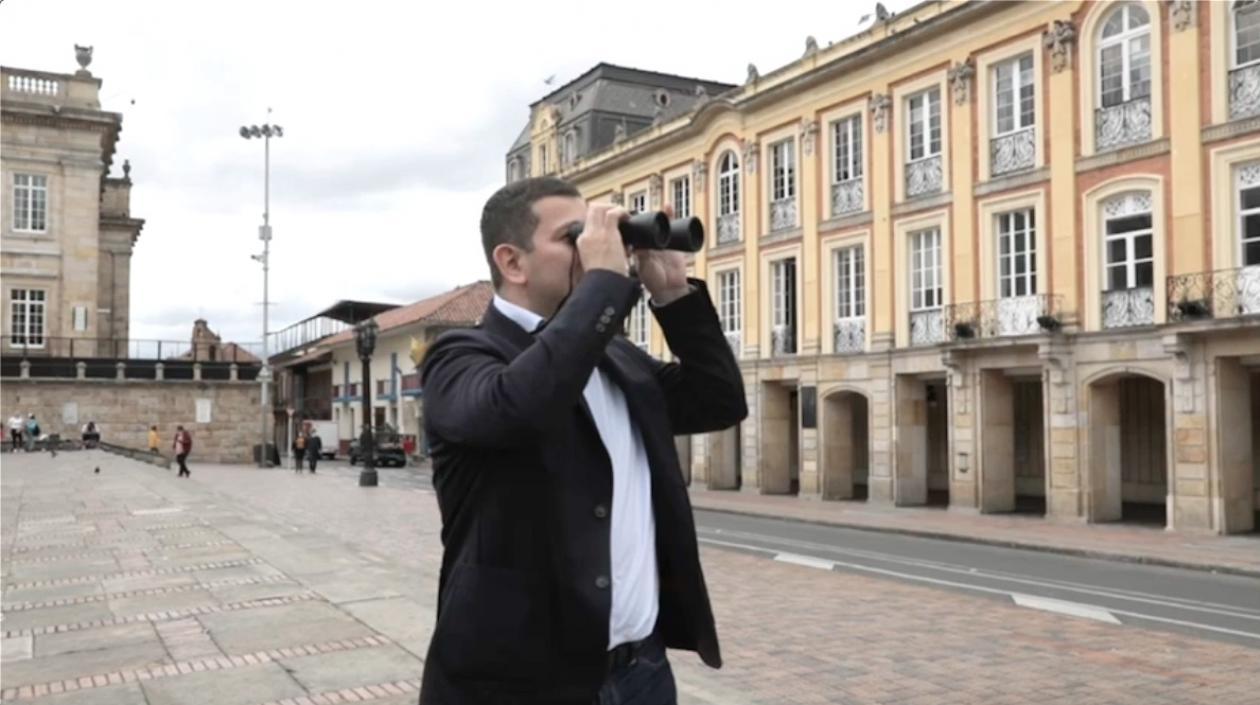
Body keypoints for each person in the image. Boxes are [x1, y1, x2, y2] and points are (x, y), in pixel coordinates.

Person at [417, 177, 746, 704]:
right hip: (523, 683)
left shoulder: (615, 360)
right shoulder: (462, 358)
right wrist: (605, 285)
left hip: (641, 671)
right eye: (576, 236)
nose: (599, 246)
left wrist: (672, 294)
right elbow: (521, 408)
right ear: (512, 262)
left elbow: (718, 402)